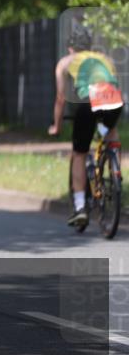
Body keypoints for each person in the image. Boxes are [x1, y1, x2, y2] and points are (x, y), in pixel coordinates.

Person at [48, 27, 123, 228]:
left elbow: (60, 99)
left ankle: (80, 207)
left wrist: (56, 126)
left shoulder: (65, 62)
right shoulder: (105, 58)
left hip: (89, 103)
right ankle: (114, 166)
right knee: (108, 132)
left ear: (70, 48)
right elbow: (114, 84)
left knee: (79, 154)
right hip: (114, 103)